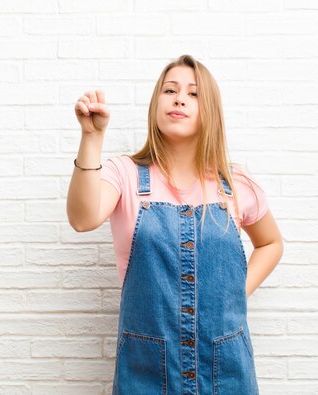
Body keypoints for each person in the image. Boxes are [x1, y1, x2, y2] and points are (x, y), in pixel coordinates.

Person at [66, 54, 283, 395]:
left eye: (193, 93)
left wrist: (237, 294)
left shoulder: (235, 183)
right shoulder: (124, 174)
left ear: (209, 109)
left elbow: (271, 244)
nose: (180, 98)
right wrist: (91, 138)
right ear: (156, 103)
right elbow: (82, 218)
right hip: (146, 371)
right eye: (170, 90)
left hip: (226, 372)